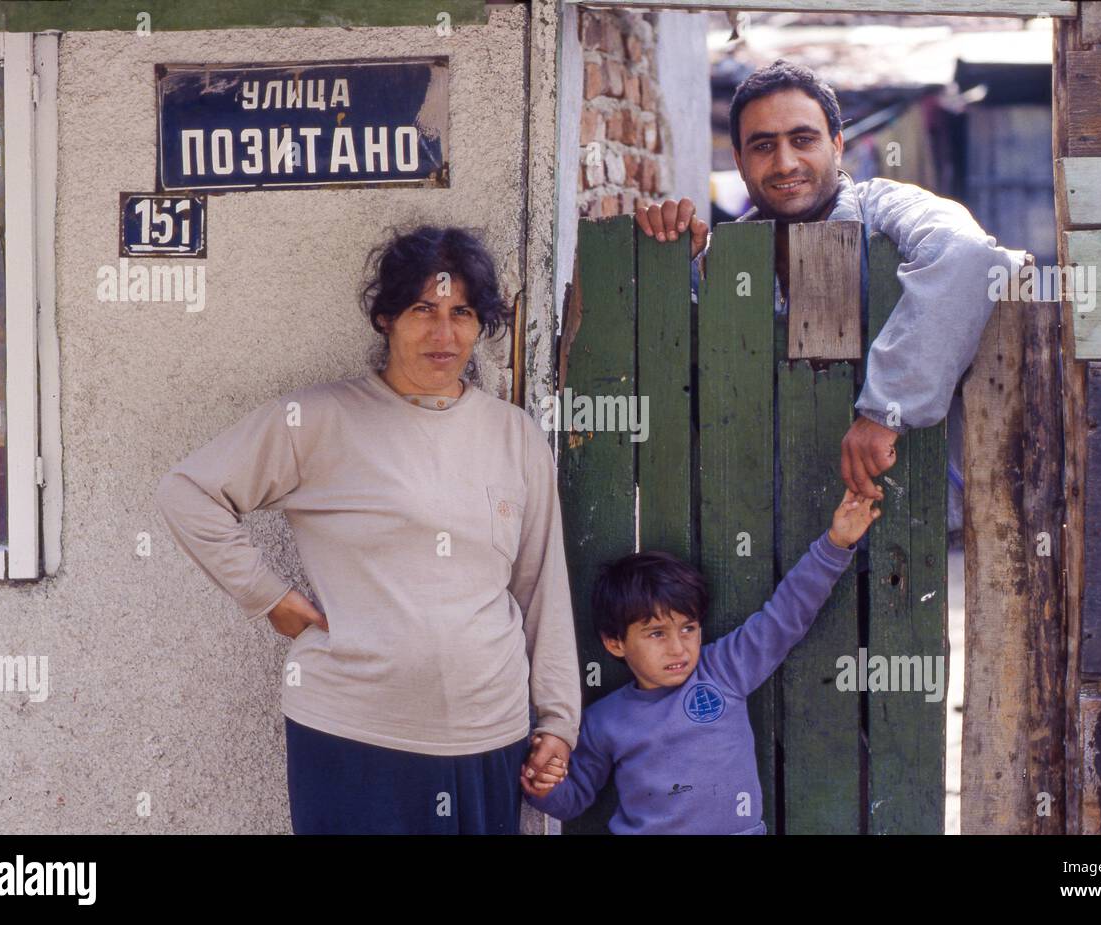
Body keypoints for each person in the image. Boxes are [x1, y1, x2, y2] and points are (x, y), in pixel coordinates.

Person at [153, 226, 581, 834]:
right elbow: (188, 491)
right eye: (422, 310)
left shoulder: (514, 436)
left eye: (461, 312)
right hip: (352, 733)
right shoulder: (319, 420)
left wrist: (559, 722)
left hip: (488, 735)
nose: (443, 333)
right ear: (386, 319)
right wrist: (267, 596)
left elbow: (543, 591)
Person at [635, 59, 1028, 536]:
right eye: (763, 146)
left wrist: (887, 411)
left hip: (897, 527)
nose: (784, 163)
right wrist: (675, 271)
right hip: (758, 535)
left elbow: (969, 255)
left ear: (837, 144)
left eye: (803, 140)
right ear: (738, 161)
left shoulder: (886, 208)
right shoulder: (721, 259)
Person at [520, 487, 880, 834]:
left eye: (688, 628)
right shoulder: (603, 721)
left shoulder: (723, 670)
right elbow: (574, 800)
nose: (678, 648)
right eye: (656, 634)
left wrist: (835, 545)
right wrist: (544, 789)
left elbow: (785, 618)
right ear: (615, 643)